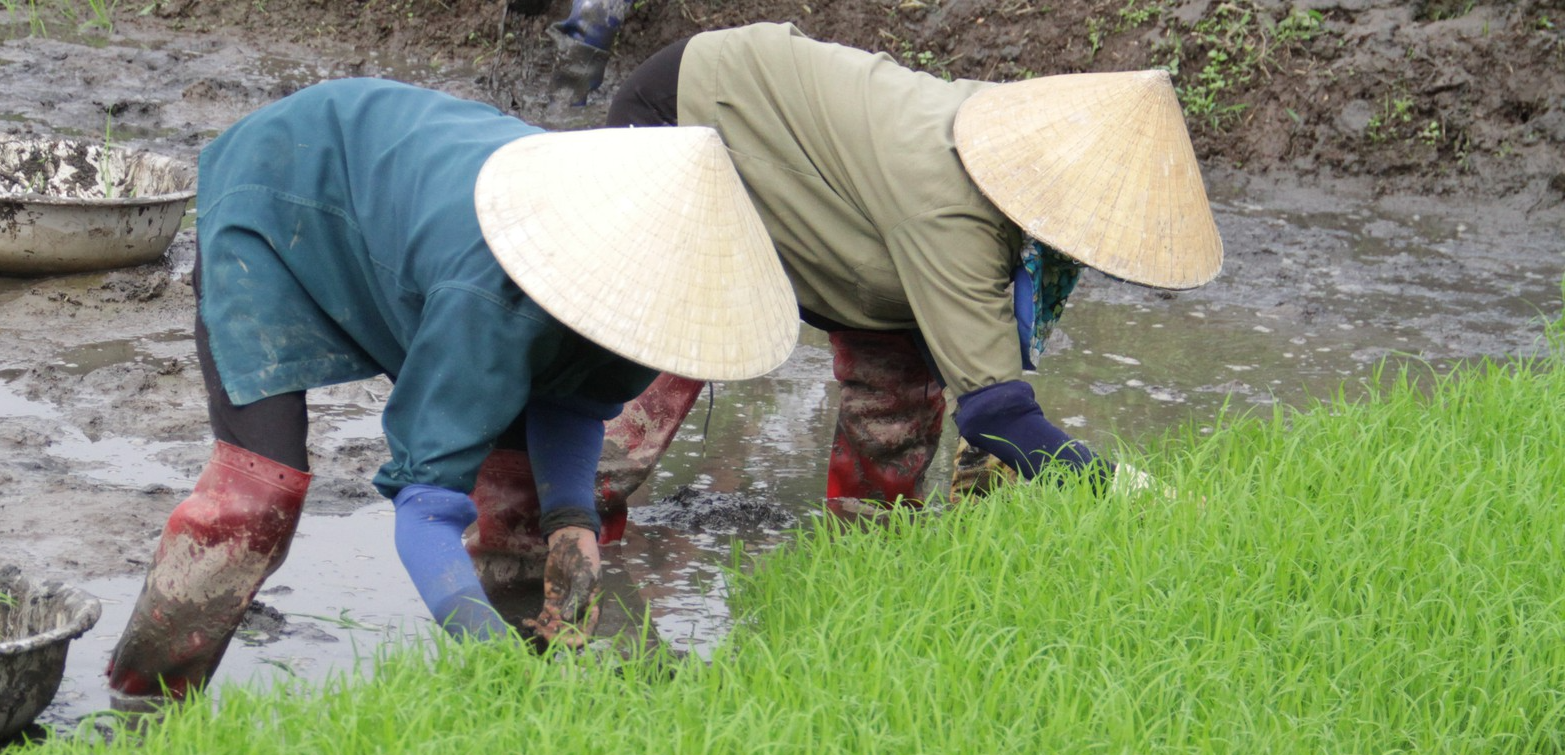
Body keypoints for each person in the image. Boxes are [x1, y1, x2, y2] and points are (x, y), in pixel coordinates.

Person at [106, 78, 798, 699]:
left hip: (414, 211)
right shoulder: (495, 295)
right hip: (285, 186)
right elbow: (426, 514)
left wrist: (572, 523)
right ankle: (143, 702)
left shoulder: (656, 297)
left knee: (523, 501)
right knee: (258, 499)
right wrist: (487, 661)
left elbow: (575, 398)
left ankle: (526, 691)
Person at [507, 23, 1225, 532]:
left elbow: (988, 362)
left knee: (903, 372)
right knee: (668, 343)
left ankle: (871, 559)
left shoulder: (1020, 160)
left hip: (823, 168)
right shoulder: (954, 206)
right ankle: (546, 539)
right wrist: (1140, 494)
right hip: (694, 113)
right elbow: (998, 415)